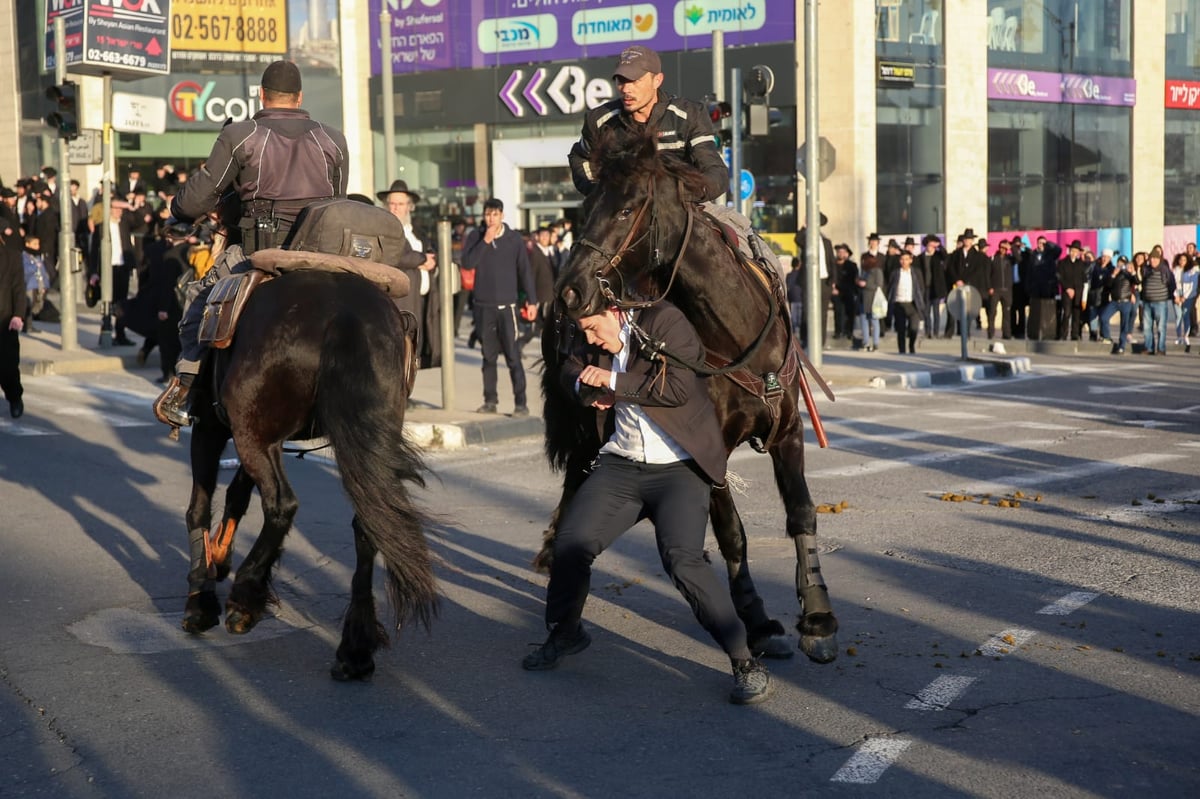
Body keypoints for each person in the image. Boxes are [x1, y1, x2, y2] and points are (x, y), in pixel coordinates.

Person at [522, 301, 772, 705]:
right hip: (622, 467)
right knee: (569, 543)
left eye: (592, 329)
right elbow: (568, 368)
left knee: (683, 560)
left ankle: (745, 662)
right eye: (583, 332)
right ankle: (566, 632)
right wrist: (589, 389)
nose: (588, 339)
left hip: (679, 469)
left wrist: (614, 382)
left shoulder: (664, 321)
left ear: (615, 312)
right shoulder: (591, 339)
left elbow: (676, 387)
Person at [155, 59, 349, 428]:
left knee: (198, 302)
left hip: (258, 252)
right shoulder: (333, 138)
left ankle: (185, 390)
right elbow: (338, 199)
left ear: (261, 95)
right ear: (300, 97)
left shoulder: (241, 135)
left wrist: (179, 209)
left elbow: (199, 199)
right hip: (321, 253)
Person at [569, 46, 726, 203]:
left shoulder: (689, 114)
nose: (626, 88)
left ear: (657, 80)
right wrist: (602, 192)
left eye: (635, 80)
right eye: (621, 80)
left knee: (737, 224)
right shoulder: (599, 120)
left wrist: (680, 195)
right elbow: (580, 158)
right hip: (623, 211)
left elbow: (716, 172)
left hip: (683, 206)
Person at [461, 198, 538, 416]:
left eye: (495, 214)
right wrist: (485, 241)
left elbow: (524, 271)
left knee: (513, 356)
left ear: (502, 215)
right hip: (483, 306)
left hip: (508, 307)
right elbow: (467, 263)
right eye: (487, 214)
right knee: (488, 357)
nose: (490, 219)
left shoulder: (514, 240)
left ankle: (521, 403)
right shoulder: (475, 236)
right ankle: (490, 401)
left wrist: (531, 301)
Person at [378, 179, 438, 364]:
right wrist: (421, 260)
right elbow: (395, 255)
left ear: (409, 207)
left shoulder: (416, 231)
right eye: (392, 204)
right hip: (401, 299)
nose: (395, 208)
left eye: (400, 204)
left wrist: (431, 261)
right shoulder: (385, 229)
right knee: (401, 348)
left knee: (415, 350)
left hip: (421, 300)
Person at [0, 222, 24, 418]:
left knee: (7, 366)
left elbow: (18, 289)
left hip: (5, 319)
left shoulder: (12, 257)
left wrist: (18, 314)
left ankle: (14, 397)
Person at [887, 251, 927, 354]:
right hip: (899, 303)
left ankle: (911, 345)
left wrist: (920, 300)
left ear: (911, 260)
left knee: (914, 328)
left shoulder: (916, 272)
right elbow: (890, 287)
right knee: (901, 329)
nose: (904, 262)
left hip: (912, 303)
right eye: (902, 259)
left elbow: (921, 287)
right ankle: (902, 349)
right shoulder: (895, 273)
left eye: (906, 259)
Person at [1139, 249, 1175, 355]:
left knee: (1161, 327)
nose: (1153, 260)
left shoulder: (1165, 270)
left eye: (1155, 258)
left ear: (1159, 259)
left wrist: (1172, 296)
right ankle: (1149, 348)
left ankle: (1161, 348)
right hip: (1147, 302)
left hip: (1160, 302)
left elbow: (1172, 284)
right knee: (1147, 327)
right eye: (1151, 258)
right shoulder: (1146, 269)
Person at [856, 253, 885, 352]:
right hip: (863, 299)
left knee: (874, 321)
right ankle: (866, 342)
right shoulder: (864, 271)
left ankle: (875, 343)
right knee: (863, 321)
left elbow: (879, 285)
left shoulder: (877, 271)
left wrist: (866, 284)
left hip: (873, 299)